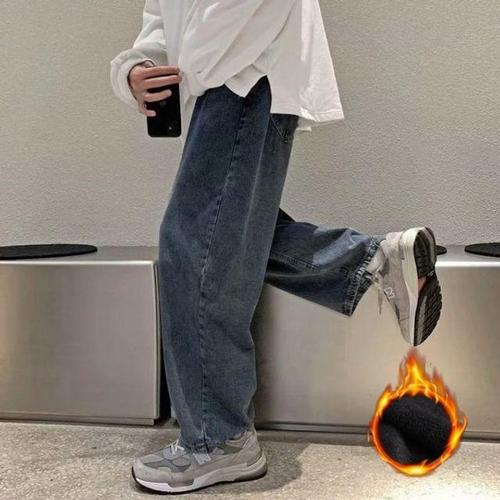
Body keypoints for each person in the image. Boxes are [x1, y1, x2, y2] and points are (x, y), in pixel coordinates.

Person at [110, 0, 442, 494]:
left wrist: (194, 67)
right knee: (226, 238)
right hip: (227, 79)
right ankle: (374, 259)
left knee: (195, 246)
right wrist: (135, 69)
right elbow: (163, 16)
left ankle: (219, 438)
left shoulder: (222, 68)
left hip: (243, 73)